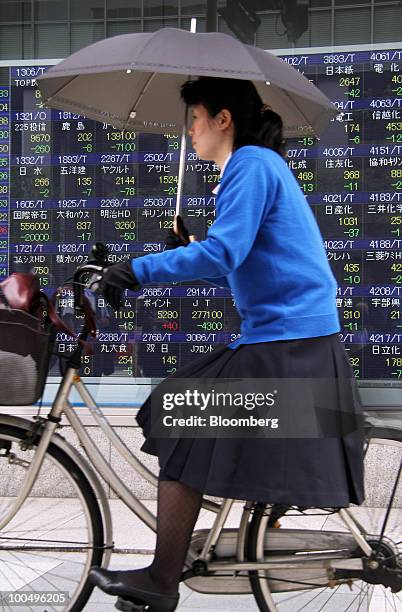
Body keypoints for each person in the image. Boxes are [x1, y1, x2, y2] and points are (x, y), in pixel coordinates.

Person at [88, 77, 365, 611]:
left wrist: (137, 269)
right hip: (291, 341)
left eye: (194, 117)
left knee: (180, 413)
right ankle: (185, 559)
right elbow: (236, 268)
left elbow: (225, 254)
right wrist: (188, 251)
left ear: (223, 120)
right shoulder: (250, 170)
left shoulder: (252, 166)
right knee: (189, 417)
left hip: (290, 345)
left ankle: (163, 579)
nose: (189, 129)